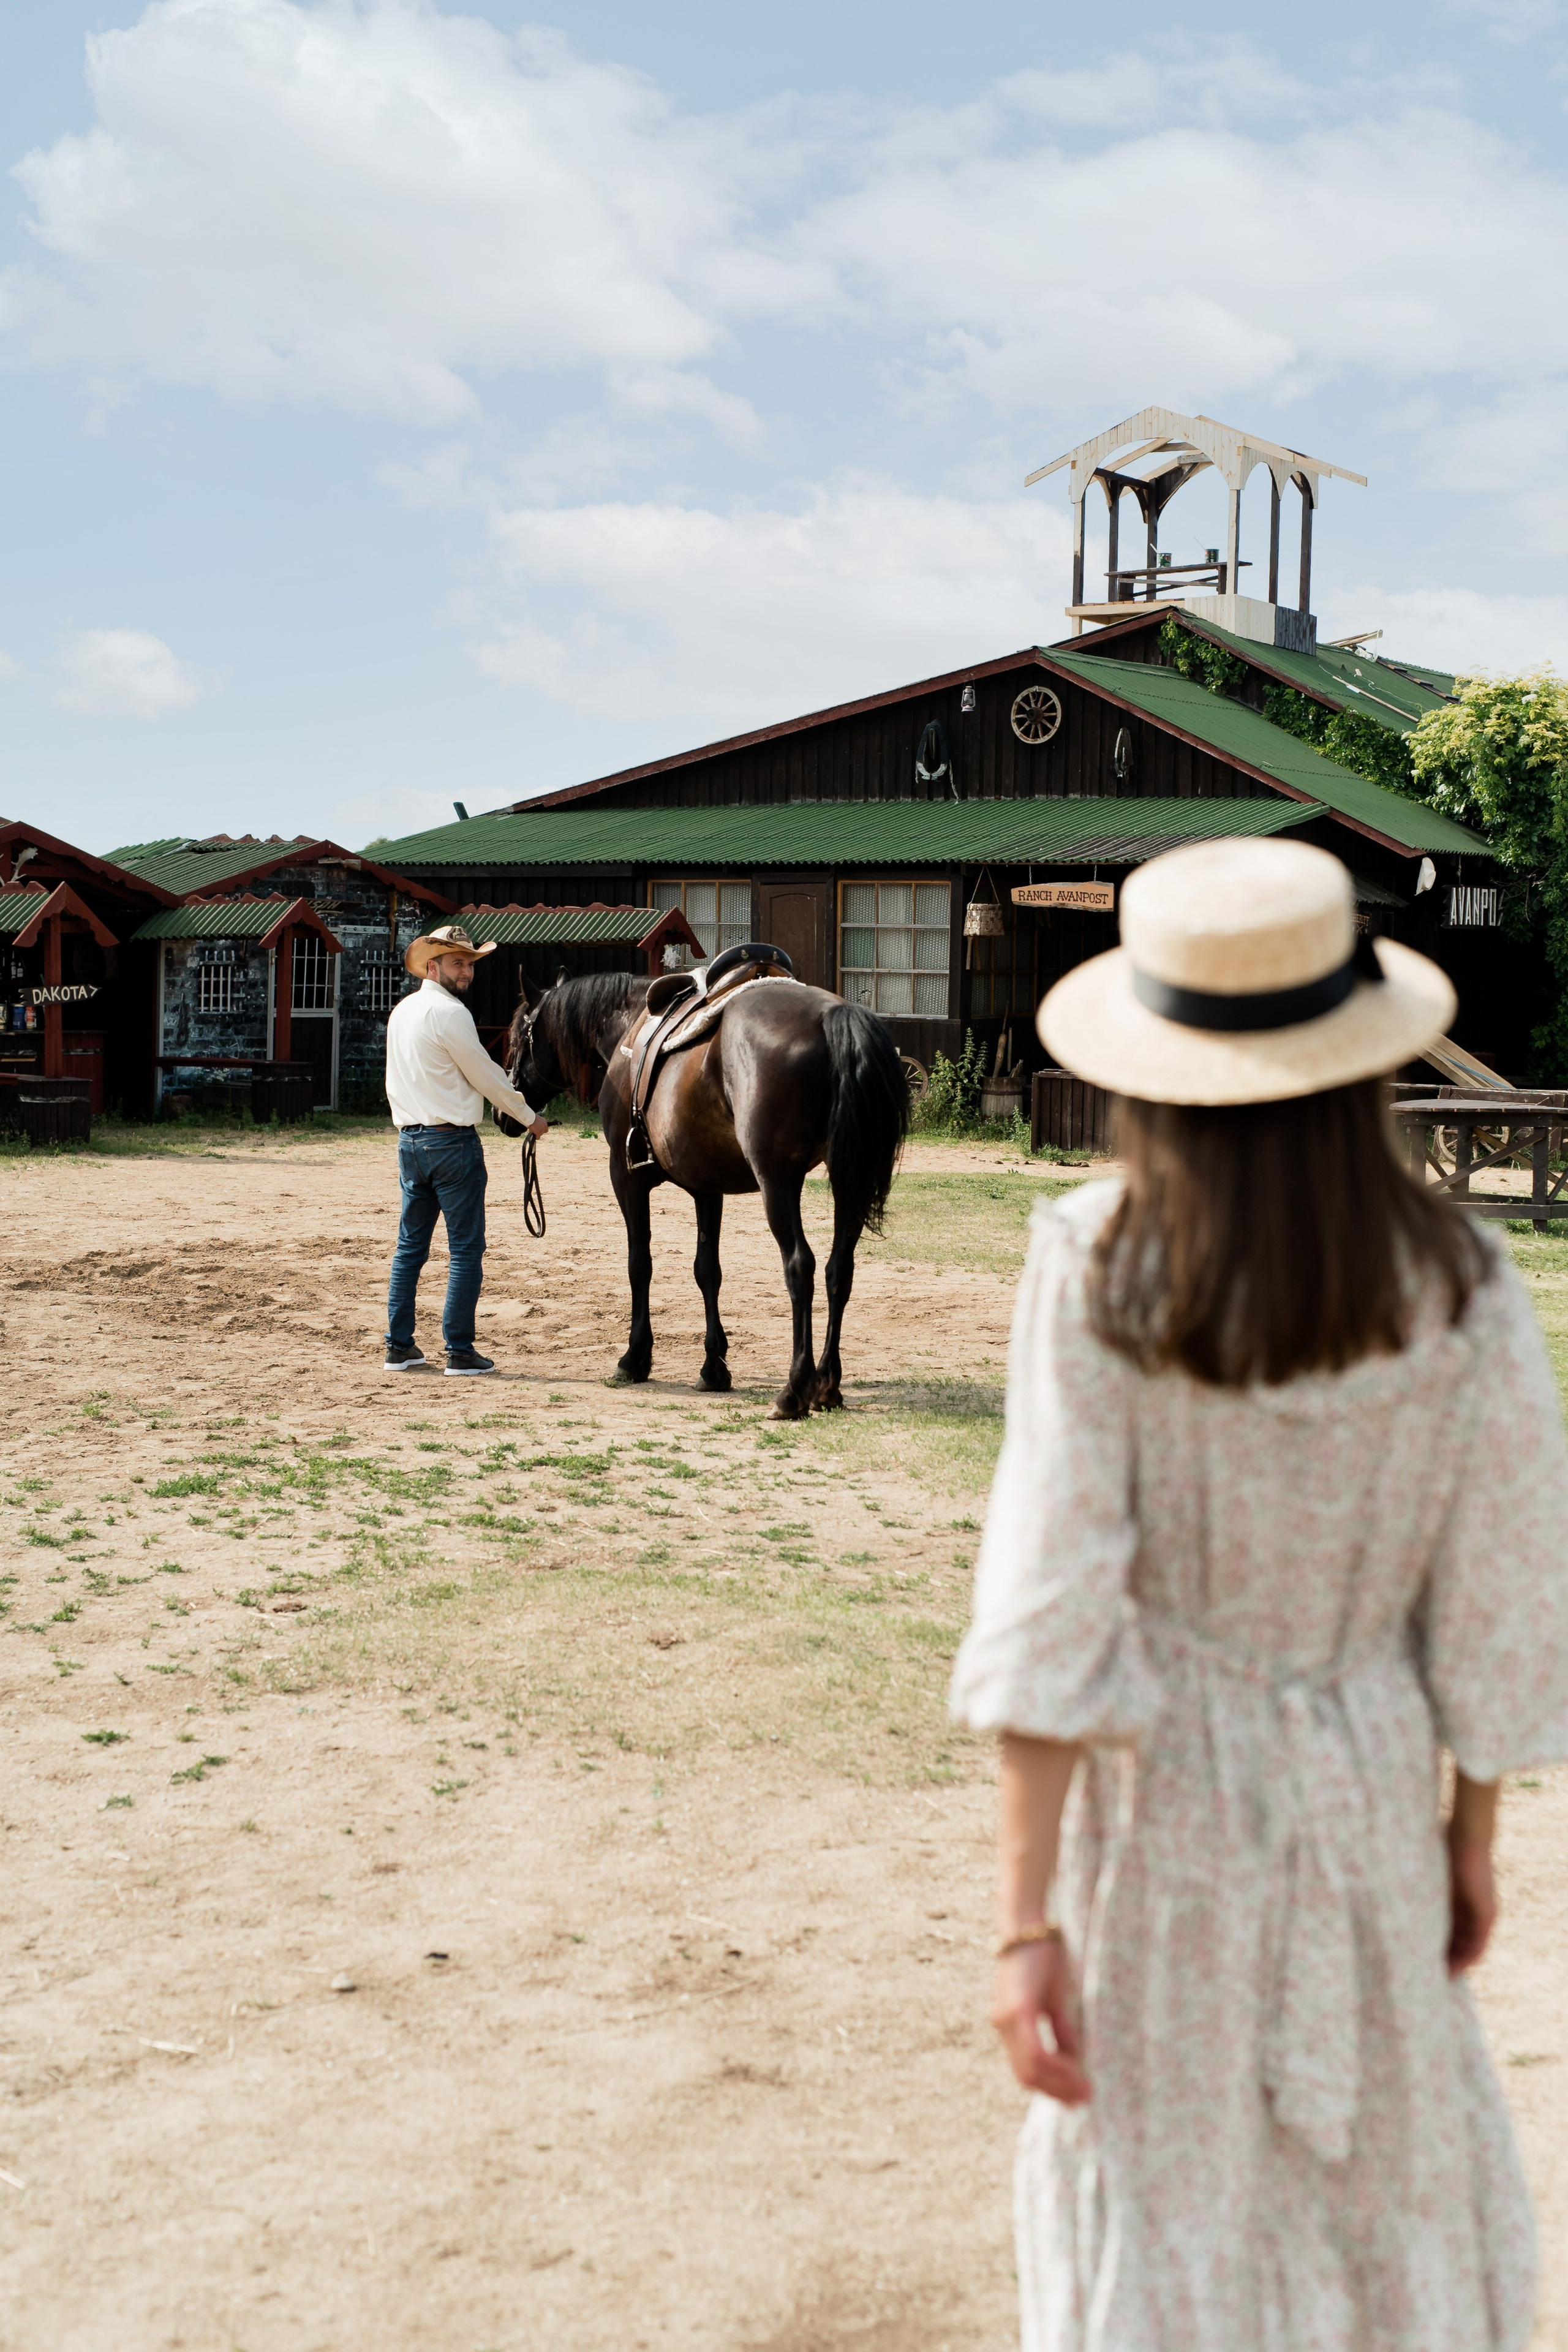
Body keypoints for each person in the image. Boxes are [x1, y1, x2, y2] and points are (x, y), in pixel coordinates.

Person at [951, 837, 1568, 2352]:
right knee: (1380, 2181)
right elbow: (1498, 1599)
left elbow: (1049, 1601)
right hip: (1367, 1791)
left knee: (1170, 2193)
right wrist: (1467, 1831)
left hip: (1166, 1813)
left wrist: (1022, 1923)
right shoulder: (1462, 1282)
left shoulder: (1097, 1264)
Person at [382, 924, 547, 1376]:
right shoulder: (451, 1013)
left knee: (410, 1248)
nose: (467, 972)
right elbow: (486, 1074)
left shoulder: (402, 1012)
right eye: (458, 963)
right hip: (451, 1142)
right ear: (432, 967)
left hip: (410, 1141)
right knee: (466, 1250)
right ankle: (458, 1349)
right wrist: (529, 1117)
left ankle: (399, 1346)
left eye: (470, 964)